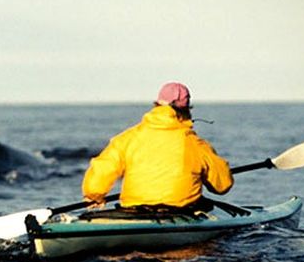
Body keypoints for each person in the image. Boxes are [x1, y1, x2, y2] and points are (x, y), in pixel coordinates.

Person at [82, 82, 233, 212]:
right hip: (181, 211)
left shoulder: (127, 138)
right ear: (187, 110)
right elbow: (222, 185)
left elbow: (103, 168)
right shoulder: (196, 144)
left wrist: (94, 196)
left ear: (157, 105)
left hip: (134, 209)